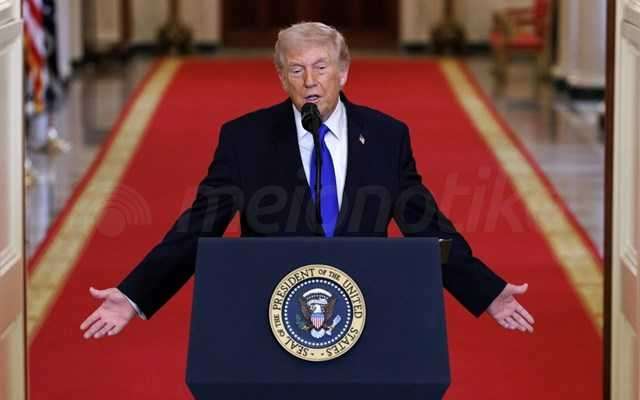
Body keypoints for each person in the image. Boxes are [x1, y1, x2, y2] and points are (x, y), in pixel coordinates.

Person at [81, 22, 534, 339]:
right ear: (281, 77)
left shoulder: (386, 136)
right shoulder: (244, 139)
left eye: (321, 67)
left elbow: (426, 225)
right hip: (272, 314)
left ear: (344, 72)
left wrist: (486, 290)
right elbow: (197, 228)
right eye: (296, 70)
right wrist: (134, 295)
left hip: (364, 311)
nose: (310, 81)